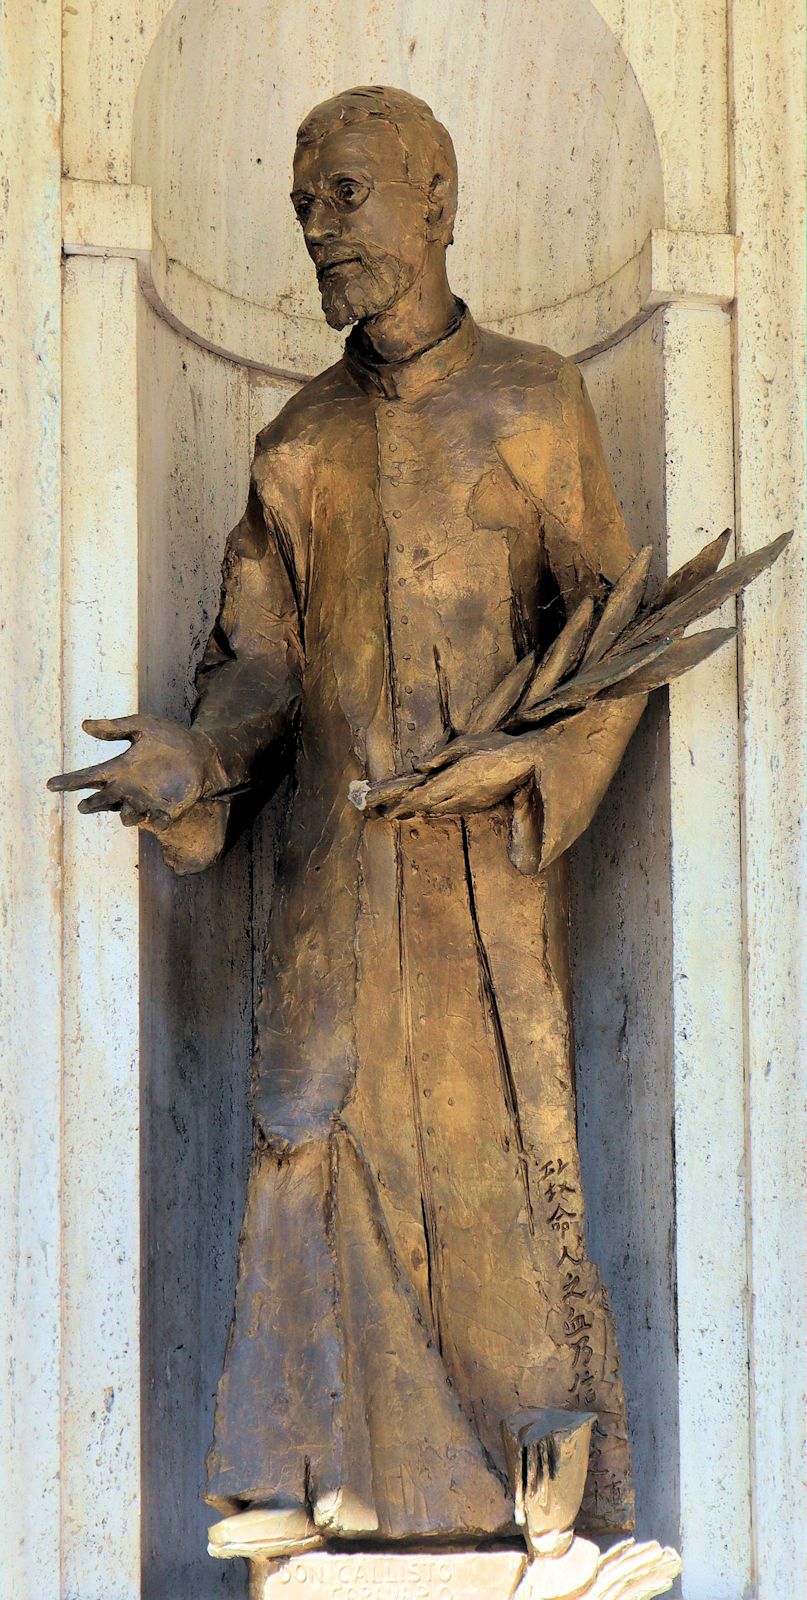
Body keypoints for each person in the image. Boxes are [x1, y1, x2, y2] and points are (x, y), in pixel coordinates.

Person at [50, 86, 647, 1561]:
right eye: (306, 204)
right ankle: (310, 1482)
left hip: (483, 891)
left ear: (439, 197)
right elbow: (257, 663)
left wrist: (526, 776)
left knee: (496, 1183)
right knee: (311, 1140)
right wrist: (197, 759)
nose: (324, 230)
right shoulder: (297, 442)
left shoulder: (536, 397)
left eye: (351, 194)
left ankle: (535, 1517)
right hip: (329, 878)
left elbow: (618, 628)